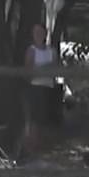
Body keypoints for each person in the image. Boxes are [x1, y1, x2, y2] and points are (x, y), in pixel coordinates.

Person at [23, 22, 59, 159]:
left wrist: (43, 69)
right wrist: (44, 68)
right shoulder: (31, 50)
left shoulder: (52, 51)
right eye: (35, 32)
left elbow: (55, 69)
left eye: (40, 32)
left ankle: (43, 151)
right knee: (34, 121)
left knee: (46, 122)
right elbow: (28, 72)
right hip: (35, 87)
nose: (38, 35)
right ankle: (31, 151)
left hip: (49, 87)